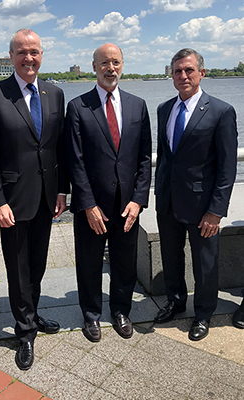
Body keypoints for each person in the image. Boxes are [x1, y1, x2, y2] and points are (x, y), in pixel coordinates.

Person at [0, 29, 69, 370]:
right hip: (12, 200)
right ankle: (25, 331)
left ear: (42, 55)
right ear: (11, 57)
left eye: (34, 52)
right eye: (21, 52)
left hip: (47, 197)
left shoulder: (54, 93)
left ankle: (32, 313)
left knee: (38, 264)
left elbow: (58, 148)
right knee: (17, 269)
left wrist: (62, 190)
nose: (28, 58)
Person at [64, 43, 151, 343]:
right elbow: (74, 160)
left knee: (125, 261)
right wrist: (87, 204)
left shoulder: (138, 105)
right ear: (94, 67)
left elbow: (143, 158)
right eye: (104, 63)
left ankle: (121, 311)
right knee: (88, 262)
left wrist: (139, 200)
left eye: (115, 62)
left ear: (122, 65)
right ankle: (91, 315)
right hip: (93, 206)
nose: (110, 68)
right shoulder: (77, 107)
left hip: (127, 204)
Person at [154, 48, 237, 341]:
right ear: (171, 75)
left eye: (189, 70)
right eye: (177, 71)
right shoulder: (164, 109)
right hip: (167, 202)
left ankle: (203, 314)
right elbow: (165, 157)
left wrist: (216, 211)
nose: (183, 76)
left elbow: (227, 168)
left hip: (203, 207)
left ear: (201, 72)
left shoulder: (221, 111)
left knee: (205, 265)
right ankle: (175, 302)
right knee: (171, 257)